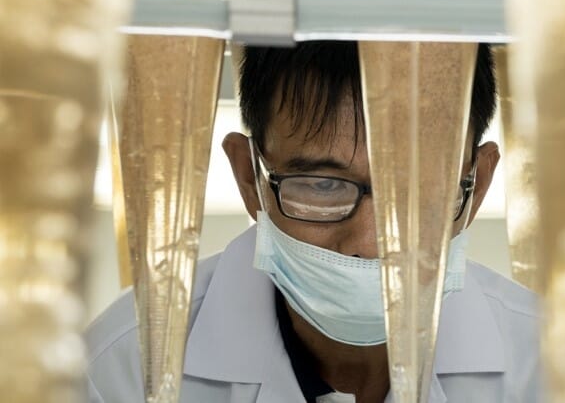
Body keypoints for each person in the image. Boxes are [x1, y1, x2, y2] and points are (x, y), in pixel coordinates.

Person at [86, 41, 542, 402]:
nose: (367, 242)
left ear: (477, 184)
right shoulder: (118, 368)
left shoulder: (553, 370)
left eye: (416, 190)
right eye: (323, 186)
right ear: (249, 178)